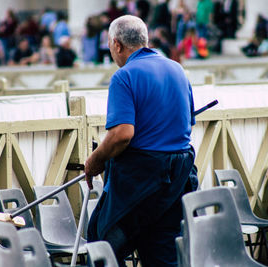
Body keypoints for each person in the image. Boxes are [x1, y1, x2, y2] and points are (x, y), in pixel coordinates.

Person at [84, 15, 197, 267]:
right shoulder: (177, 68)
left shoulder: (124, 76)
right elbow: (186, 123)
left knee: (102, 242)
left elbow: (122, 135)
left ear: (116, 44)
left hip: (143, 177)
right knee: (161, 252)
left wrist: (96, 159)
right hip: (179, 178)